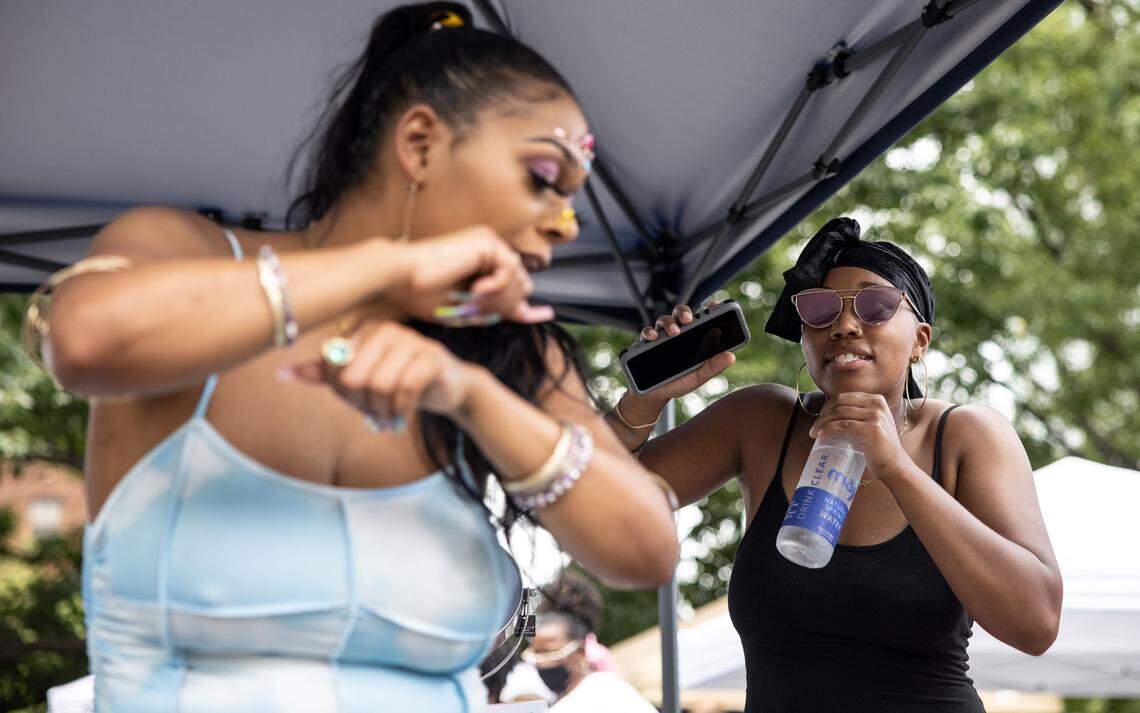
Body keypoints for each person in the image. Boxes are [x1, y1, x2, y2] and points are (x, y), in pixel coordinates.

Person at [33, 3, 678, 710]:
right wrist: (382, 268)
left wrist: (470, 395)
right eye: (542, 177)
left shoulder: (512, 358)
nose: (560, 225)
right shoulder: (180, 250)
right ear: (421, 143)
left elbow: (647, 550)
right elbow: (85, 338)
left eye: (574, 207)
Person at [607, 217, 1063, 712]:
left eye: (875, 306)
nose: (844, 325)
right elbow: (593, 504)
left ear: (920, 340)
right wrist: (641, 403)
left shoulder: (966, 436)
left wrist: (897, 468)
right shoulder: (760, 422)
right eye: (820, 310)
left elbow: (1036, 624)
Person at [523, 572, 657, 713]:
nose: (540, 662)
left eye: (549, 653)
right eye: (535, 654)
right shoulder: (604, 688)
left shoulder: (602, 695)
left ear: (580, 652)